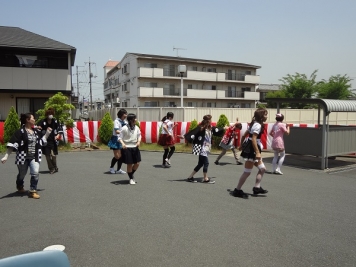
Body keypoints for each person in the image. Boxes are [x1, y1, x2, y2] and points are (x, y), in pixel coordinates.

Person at [1, 113, 52, 199]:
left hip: (34, 157)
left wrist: (47, 133)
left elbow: (42, 142)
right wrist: (6, 156)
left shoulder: (36, 132)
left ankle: (33, 191)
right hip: (22, 157)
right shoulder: (20, 132)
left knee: (35, 172)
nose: (34, 120)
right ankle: (20, 185)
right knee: (22, 174)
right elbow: (12, 144)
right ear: (28, 120)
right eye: (33, 118)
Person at [232, 108, 268, 199]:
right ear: (261, 116)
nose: (266, 116)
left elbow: (245, 135)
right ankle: (237, 190)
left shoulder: (254, 124)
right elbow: (254, 139)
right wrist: (257, 152)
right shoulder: (257, 125)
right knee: (247, 172)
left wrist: (241, 145)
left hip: (252, 148)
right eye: (265, 114)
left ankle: (257, 187)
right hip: (252, 150)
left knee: (262, 169)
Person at [183, 114, 224, 184]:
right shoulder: (201, 128)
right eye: (211, 119)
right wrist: (184, 137)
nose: (211, 121)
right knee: (206, 163)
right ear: (208, 121)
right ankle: (205, 178)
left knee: (200, 164)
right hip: (202, 148)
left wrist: (224, 128)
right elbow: (193, 133)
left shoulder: (210, 128)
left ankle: (190, 177)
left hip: (207, 148)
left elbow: (217, 130)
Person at [119, 113, 141, 185]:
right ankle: (131, 178)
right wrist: (123, 143)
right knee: (129, 164)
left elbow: (139, 135)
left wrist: (138, 141)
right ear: (131, 120)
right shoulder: (124, 128)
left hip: (135, 147)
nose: (136, 120)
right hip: (127, 148)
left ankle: (131, 174)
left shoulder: (137, 127)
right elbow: (119, 138)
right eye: (135, 118)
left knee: (137, 163)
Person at [38, 108, 61, 174]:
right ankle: (51, 168)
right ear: (47, 114)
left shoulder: (55, 121)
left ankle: (55, 166)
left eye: (51, 114)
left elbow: (59, 129)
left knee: (53, 155)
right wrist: (39, 128)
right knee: (47, 156)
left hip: (53, 141)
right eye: (49, 114)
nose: (50, 115)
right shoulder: (43, 121)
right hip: (46, 141)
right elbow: (39, 128)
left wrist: (58, 135)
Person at [107, 109, 127, 174]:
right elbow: (116, 131)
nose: (126, 115)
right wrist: (123, 132)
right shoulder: (116, 121)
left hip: (122, 139)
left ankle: (119, 169)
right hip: (115, 139)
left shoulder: (125, 121)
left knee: (121, 156)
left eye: (126, 114)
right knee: (117, 156)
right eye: (124, 114)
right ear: (121, 114)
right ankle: (111, 168)